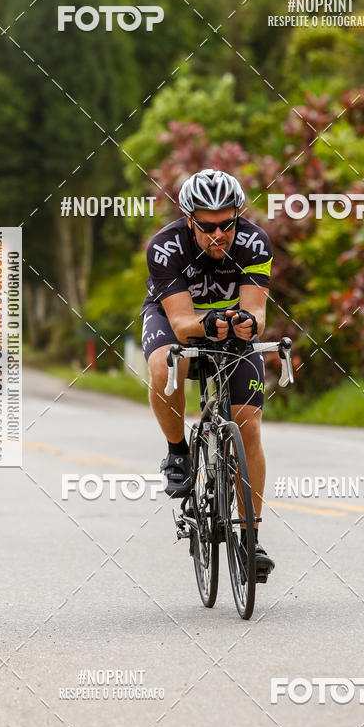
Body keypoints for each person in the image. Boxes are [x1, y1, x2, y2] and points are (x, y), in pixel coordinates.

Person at [141, 168, 275, 579]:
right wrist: (210, 324)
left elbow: (257, 313)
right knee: (167, 360)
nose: (219, 234)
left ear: (238, 216)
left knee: (248, 427)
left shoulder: (255, 242)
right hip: (172, 318)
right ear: (189, 221)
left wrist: (247, 325)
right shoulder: (165, 247)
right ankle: (178, 452)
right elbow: (182, 324)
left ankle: (250, 540)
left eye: (227, 224)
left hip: (226, 322)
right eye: (208, 226)